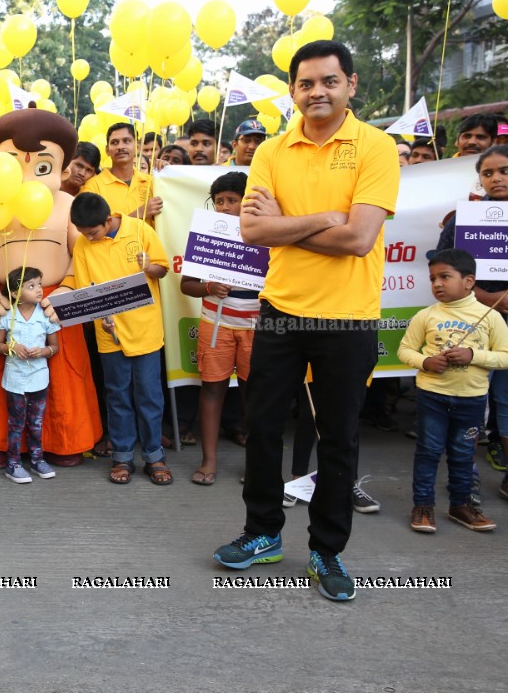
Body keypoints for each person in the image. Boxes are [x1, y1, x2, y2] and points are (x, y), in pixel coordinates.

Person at [213, 40, 400, 603]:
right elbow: (252, 232)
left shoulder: (376, 147)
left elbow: (360, 238)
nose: (317, 91)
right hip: (281, 313)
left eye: (329, 81)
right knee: (263, 430)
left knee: (338, 438)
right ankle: (263, 532)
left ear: (351, 84)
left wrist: (288, 224)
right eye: (306, 83)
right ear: (293, 90)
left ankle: (327, 548)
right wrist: (323, 219)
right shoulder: (271, 151)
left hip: (348, 319)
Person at [0, 106, 103, 468]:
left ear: (60, 167)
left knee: (62, 374)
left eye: (41, 167)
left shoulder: (68, 205)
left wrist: (68, 287)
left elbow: (85, 252)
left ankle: (64, 441)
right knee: (3, 372)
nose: (28, 176)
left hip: (54, 303)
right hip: (5, 302)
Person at [397, 248, 507, 533]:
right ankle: (422, 506)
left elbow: (505, 356)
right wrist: (425, 361)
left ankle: (461, 505)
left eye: (445, 277)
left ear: (469, 281)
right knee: (428, 451)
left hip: (471, 399)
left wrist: (474, 356)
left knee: (462, 454)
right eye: (433, 278)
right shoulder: (426, 315)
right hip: (431, 396)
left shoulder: (491, 317)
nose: (437, 284)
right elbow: (405, 350)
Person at [68, 191, 172, 485]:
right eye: (82, 233)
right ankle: (122, 456)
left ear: (108, 218)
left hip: (145, 329)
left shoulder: (141, 229)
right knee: (117, 395)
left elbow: (161, 270)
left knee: (149, 396)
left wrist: (148, 265)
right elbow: (85, 286)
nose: (88, 238)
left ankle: (154, 456)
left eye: (93, 232)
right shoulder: (83, 245)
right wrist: (97, 313)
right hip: (109, 330)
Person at [435, 145, 508, 500]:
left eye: (504, 170)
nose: (496, 178)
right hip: (472, 323)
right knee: (471, 404)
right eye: (488, 173)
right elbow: (441, 267)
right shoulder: (463, 218)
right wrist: (484, 296)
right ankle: (466, 485)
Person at [179, 172, 259, 486]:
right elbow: (187, 285)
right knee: (212, 388)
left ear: (247, 201)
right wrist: (209, 286)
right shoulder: (205, 239)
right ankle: (209, 460)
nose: (224, 207)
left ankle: (256, 462)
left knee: (256, 395)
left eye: (232, 200)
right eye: (219, 201)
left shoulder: (265, 236)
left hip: (255, 326)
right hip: (216, 325)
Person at [0, 266, 60, 483]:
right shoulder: (8, 316)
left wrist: (43, 351)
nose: (39, 290)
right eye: (31, 286)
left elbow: (55, 347)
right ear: (15, 293)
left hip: (39, 378)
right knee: (16, 423)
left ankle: (37, 459)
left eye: (39, 284)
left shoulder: (46, 316)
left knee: (36, 422)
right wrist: (11, 348)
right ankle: (12, 464)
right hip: (14, 379)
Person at [81, 122, 161, 221]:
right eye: (114, 142)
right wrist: (139, 213)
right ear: (107, 150)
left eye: (126, 141)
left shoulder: (150, 182)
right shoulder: (93, 186)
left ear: (137, 147)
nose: (120, 147)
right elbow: (92, 227)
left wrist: (169, 171)